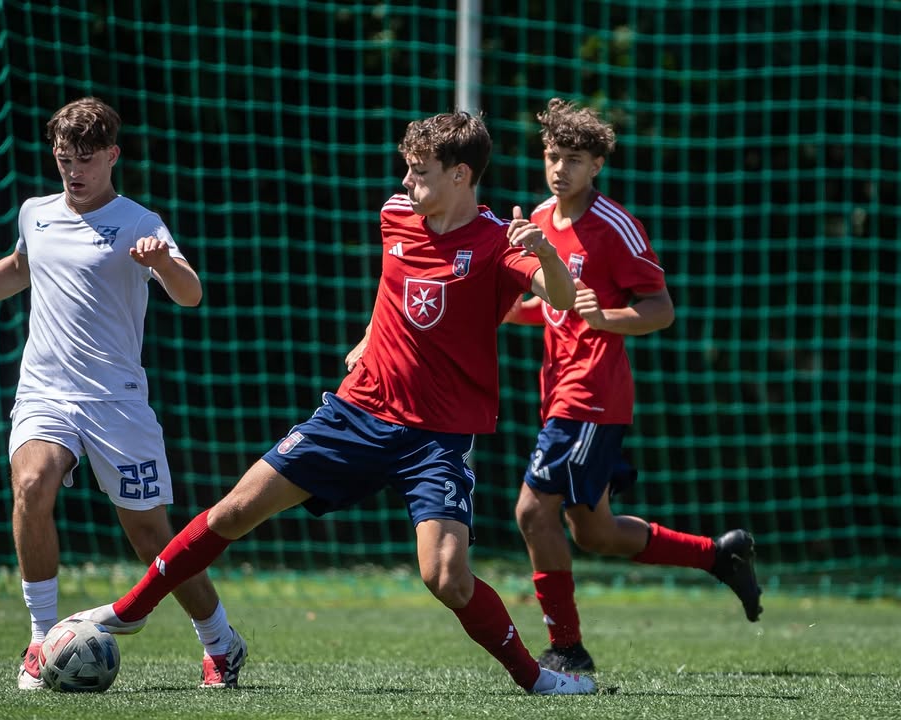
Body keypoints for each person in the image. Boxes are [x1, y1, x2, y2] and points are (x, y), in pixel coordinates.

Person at [68, 111, 597, 695]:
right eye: (406, 169)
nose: (406, 182)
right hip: (356, 413)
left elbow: (563, 298)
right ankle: (132, 610)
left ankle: (538, 680)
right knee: (233, 511)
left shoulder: (498, 242)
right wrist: (373, 334)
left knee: (447, 576)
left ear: (461, 175)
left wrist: (546, 253)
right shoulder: (396, 214)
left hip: (435, 438)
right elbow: (394, 287)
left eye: (420, 172)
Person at [0, 97, 247, 690]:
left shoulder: (141, 223)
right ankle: (41, 639)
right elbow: (21, 266)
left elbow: (191, 293)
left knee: (151, 537)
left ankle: (220, 641)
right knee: (31, 484)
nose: (74, 171)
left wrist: (164, 264)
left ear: (113, 156)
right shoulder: (35, 213)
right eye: (64, 159)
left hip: (117, 402)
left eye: (86, 160)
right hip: (45, 391)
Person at [503, 98, 763, 672]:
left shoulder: (615, 226)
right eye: (552, 156)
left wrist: (605, 318)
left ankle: (567, 649)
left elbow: (660, 309)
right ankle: (720, 556)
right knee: (594, 532)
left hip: (592, 395)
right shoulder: (540, 219)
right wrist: (508, 310)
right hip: (558, 393)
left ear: (597, 165)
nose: (559, 169)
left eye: (574, 159)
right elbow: (555, 303)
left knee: (533, 512)